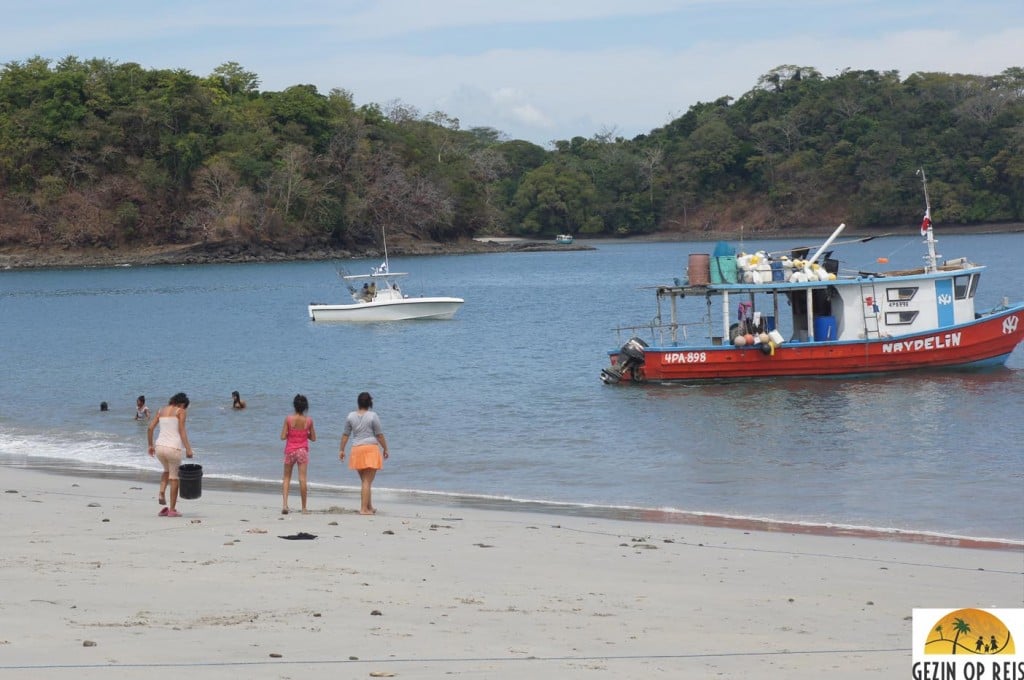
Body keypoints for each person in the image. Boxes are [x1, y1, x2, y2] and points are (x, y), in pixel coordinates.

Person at [338, 392, 389, 515]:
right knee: (367, 481)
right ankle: (364, 509)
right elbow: (379, 435)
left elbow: (345, 434)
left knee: (365, 481)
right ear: (370, 403)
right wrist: (386, 448)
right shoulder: (373, 416)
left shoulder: (350, 416)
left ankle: (369, 506)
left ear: (358, 402)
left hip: (357, 449)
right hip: (370, 449)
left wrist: (342, 449)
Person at [147, 392, 194, 517]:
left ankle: (161, 491)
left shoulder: (161, 410)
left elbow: (150, 428)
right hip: (173, 448)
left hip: (159, 447)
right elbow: (182, 431)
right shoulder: (180, 411)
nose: (185, 409)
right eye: (185, 406)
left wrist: (150, 445)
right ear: (182, 404)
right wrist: (188, 449)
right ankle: (172, 510)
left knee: (166, 471)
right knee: (174, 478)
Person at [280, 394, 316, 515]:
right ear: (305, 407)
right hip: (302, 451)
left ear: (294, 406)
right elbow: (314, 438)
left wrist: (291, 433)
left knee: (286, 478)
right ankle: (304, 508)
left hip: (290, 450)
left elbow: (283, 436)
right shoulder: (309, 421)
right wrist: (305, 434)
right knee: (302, 479)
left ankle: (285, 505)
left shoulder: (288, 419)